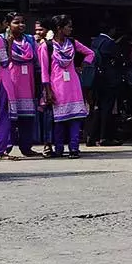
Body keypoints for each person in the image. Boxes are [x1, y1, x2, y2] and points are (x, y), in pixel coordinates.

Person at [0, 12, 40, 159]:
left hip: (4, 84)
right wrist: (9, 44)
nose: (20, 25)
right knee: (1, 117)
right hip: (4, 83)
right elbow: (5, 61)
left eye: (22, 22)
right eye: (9, 22)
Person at [40, 15, 95, 158]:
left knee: (75, 118)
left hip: (73, 85)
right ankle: (59, 149)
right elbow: (44, 71)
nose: (71, 29)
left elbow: (90, 53)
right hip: (57, 86)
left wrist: (83, 64)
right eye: (68, 26)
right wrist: (47, 90)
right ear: (59, 28)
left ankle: (74, 148)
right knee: (60, 120)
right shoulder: (47, 46)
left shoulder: (72, 43)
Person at [88, 24, 125, 147]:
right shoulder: (109, 43)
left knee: (97, 108)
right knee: (107, 109)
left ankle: (91, 136)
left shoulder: (95, 42)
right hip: (109, 81)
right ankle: (105, 137)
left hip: (97, 80)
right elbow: (119, 60)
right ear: (111, 29)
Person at [32, 19, 54, 156]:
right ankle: (46, 142)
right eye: (36, 30)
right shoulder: (34, 42)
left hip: (51, 81)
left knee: (49, 114)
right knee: (44, 113)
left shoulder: (51, 44)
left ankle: (49, 143)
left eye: (41, 29)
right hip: (39, 81)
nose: (38, 33)